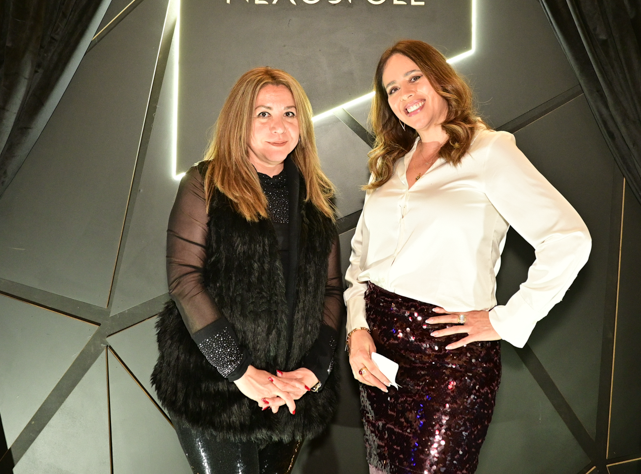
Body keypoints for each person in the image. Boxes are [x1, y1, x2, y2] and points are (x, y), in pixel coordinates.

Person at [345, 40, 592, 474]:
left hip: (449, 360)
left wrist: (505, 320)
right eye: (392, 89)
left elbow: (569, 239)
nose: (405, 94)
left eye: (414, 78)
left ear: (440, 79)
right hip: (379, 356)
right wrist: (356, 330)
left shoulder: (490, 150)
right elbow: (360, 262)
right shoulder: (390, 163)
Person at [152, 67, 342, 474]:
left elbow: (330, 290)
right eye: (263, 114)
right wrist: (239, 371)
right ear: (240, 120)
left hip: (290, 395)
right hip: (215, 388)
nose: (279, 126)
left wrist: (313, 371)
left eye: (289, 114)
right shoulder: (206, 183)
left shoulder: (317, 195)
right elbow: (184, 280)